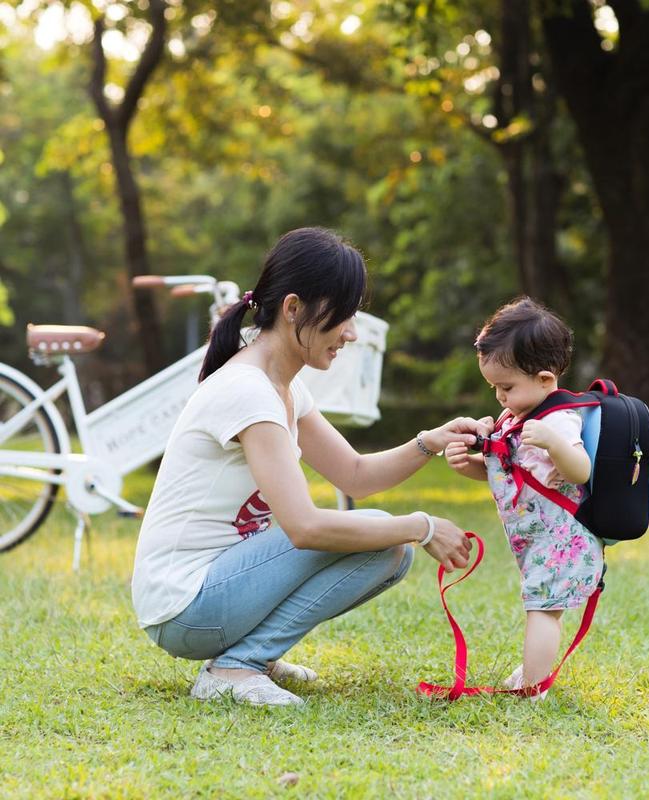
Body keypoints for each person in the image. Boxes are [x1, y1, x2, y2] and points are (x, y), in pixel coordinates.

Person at [132, 227, 481, 707]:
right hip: (185, 604)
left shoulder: (286, 387)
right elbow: (304, 527)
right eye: (343, 315)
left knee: (389, 546)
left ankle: (252, 655)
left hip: (212, 592)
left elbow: (355, 474)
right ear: (293, 309)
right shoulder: (248, 390)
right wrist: (421, 526)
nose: (352, 332)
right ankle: (237, 667)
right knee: (389, 534)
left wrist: (430, 441)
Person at [444, 297, 604, 700]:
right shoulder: (516, 419)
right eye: (494, 387)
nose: (499, 396)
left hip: (563, 539)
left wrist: (554, 443)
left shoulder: (557, 420)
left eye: (506, 387)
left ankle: (534, 687)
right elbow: (515, 477)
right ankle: (533, 673)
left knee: (543, 610)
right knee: (542, 605)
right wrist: (471, 467)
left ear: (546, 381)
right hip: (537, 540)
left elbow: (580, 471)